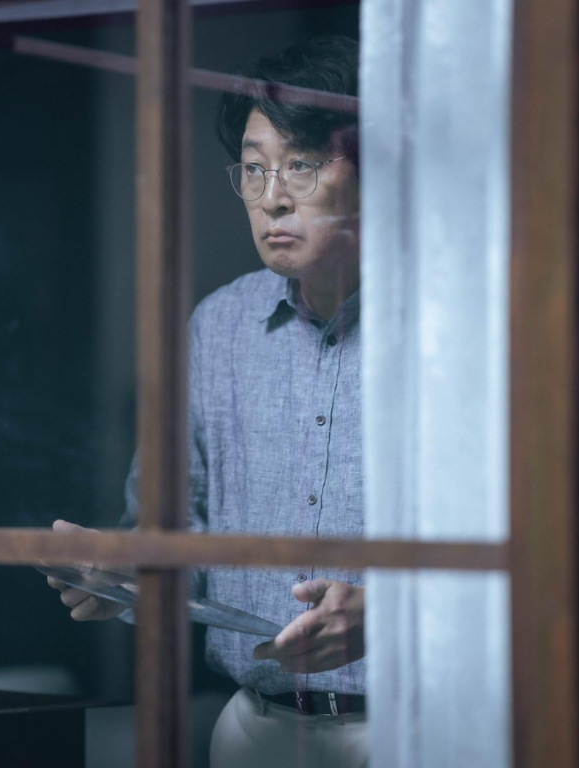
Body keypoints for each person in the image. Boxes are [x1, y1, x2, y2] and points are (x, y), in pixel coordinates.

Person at [48, 35, 367, 768]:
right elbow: (173, 534)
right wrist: (120, 576)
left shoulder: (448, 331)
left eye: (301, 164)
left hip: (422, 727)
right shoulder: (218, 325)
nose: (272, 197)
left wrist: (391, 617)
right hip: (254, 730)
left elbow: (531, 548)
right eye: (254, 169)